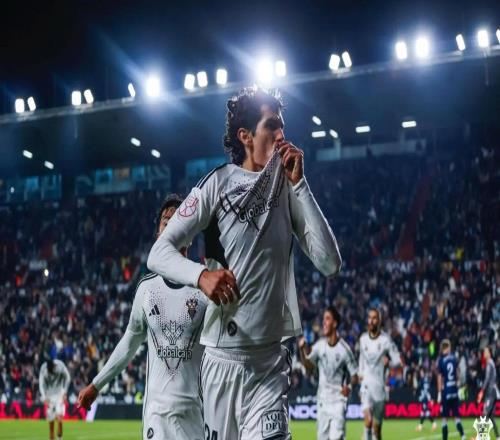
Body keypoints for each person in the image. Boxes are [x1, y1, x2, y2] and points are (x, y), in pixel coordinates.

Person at [147, 87, 342, 439]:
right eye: (272, 126)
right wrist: (201, 276)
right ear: (246, 136)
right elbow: (159, 253)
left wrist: (301, 185)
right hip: (222, 361)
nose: (281, 135)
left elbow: (330, 263)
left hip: (270, 363)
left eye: (282, 126)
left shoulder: (287, 187)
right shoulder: (217, 184)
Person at [78, 194, 208, 440]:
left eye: (178, 219)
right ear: (158, 234)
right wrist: (97, 384)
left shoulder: (205, 288)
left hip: (196, 415)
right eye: (165, 220)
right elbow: (129, 342)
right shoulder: (147, 289)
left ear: (190, 233)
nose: (171, 223)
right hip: (156, 417)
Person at [298, 306, 358, 440]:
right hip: (322, 402)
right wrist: (302, 351)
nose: (323, 322)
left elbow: (355, 376)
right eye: (323, 319)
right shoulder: (319, 346)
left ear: (335, 323)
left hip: (338, 401)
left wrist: (349, 387)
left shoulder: (345, 350)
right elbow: (308, 368)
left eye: (327, 319)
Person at [358, 308, 401, 440]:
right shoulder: (363, 339)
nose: (371, 321)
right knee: (368, 422)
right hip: (366, 386)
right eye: (369, 318)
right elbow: (361, 359)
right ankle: (366, 434)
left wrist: (389, 363)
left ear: (379, 321)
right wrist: (360, 373)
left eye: (374, 318)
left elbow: (397, 361)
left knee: (377, 429)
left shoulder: (385, 340)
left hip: (380, 388)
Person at [436, 339, 465, 440]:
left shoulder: (440, 360)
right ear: (448, 347)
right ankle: (463, 436)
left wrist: (439, 393)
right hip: (454, 390)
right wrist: (459, 385)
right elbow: (458, 373)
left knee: (444, 419)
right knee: (457, 417)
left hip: (446, 391)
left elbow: (440, 377)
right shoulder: (454, 358)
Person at [39, 358, 70, 440]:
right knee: (51, 421)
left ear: (54, 366)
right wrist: (44, 397)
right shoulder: (43, 369)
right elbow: (41, 384)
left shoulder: (60, 365)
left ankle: (59, 438)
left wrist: (65, 392)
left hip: (60, 394)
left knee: (59, 417)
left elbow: (68, 377)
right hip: (49, 396)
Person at [476, 346, 499, 438]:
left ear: (489, 353)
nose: (484, 353)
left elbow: (487, 378)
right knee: (490, 416)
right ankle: (498, 437)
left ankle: (480, 437)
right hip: (493, 391)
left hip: (491, 392)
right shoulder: (491, 363)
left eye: (485, 352)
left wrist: (482, 390)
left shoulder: (489, 363)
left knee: (485, 413)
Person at [415, 367, 437, 432]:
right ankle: (421, 425)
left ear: (423, 372)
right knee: (423, 412)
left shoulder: (423, 380)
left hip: (425, 398)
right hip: (425, 397)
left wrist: (423, 397)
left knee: (426, 412)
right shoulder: (426, 379)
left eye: (421, 372)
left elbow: (423, 389)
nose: (420, 373)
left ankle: (433, 424)